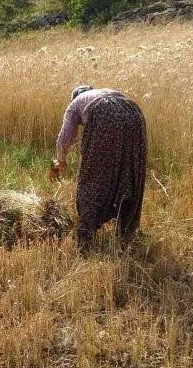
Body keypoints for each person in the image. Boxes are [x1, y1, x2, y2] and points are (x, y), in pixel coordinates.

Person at [50, 85, 147, 251]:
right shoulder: (105, 93)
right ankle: (126, 232)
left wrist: (61, 161)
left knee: (93, 175)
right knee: (129, 172)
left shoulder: (75, 104)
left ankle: (86, 234)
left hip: (105, 113)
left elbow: (64, 137)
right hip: (135, 113)